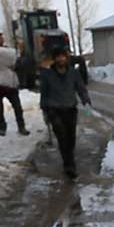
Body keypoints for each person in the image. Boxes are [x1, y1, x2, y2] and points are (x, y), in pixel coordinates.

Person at [37, 42, 92, 179]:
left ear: (66, 58)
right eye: (58, 57)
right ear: (54, 59)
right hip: (54, 111)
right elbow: (44, 92)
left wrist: (86, 100)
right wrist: (44, 109)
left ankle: (69, 159)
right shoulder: (48, 75)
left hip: (70, 109)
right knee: (62, 138)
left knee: (71, 138)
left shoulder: (73, 73)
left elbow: (80, 88)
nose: (61, 59)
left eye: (63, 57)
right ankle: (69, 165)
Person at [0, 31, 29, 137]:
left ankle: (21, 127)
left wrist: (15, 66)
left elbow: (14, 63)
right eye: (0, 38)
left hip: (9, 83)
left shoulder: (7, 51)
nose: (2, 39)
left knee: (17, 107)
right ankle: (2, 128)